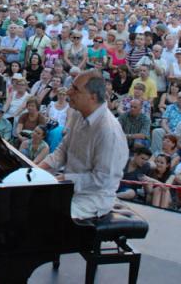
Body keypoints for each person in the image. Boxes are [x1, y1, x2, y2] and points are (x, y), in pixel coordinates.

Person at [40, 69, 129, 219]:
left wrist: (64, 179)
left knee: (45, 217)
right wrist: (39, 169)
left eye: (75, 89)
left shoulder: (108, 132)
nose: (68, 92)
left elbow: (102, 179)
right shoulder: (78, 113)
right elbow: (63, 149)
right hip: (69, 187)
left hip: (92, 199)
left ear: (92, 97)